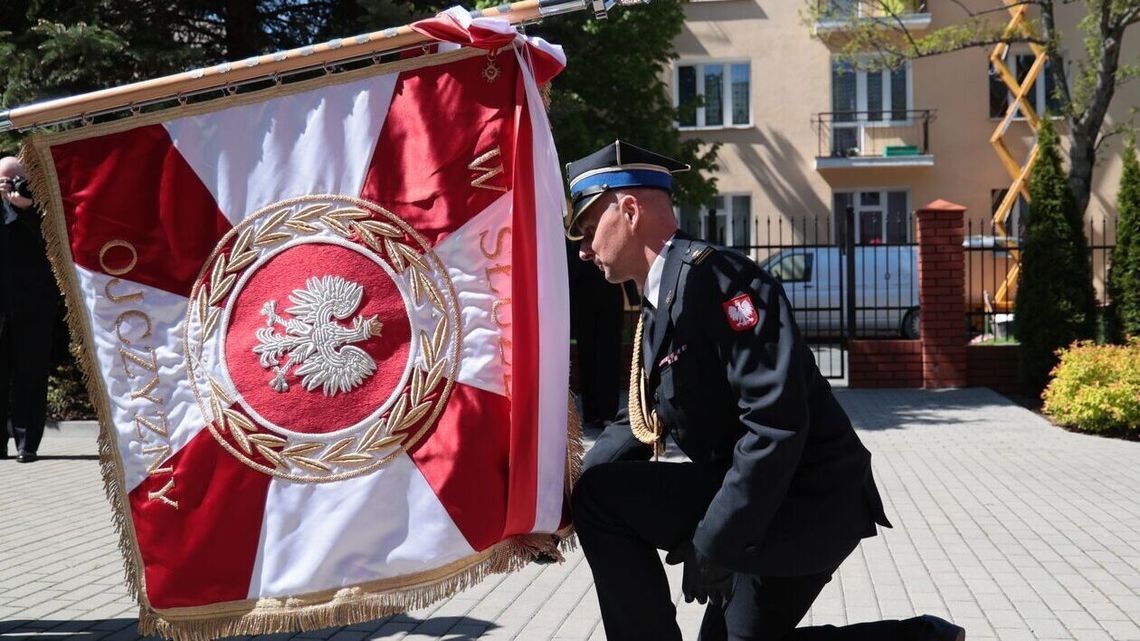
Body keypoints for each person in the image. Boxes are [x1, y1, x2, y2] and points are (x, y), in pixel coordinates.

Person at [565, 141, 965, 641]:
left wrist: (716, 539)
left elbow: (775, 424)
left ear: (628, 210)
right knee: (598, 496)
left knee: (602, 500)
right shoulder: (659, 304)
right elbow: (638, 422)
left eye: (586, 226)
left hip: (806, 499)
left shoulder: (722, 284)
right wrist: (561, 504)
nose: (581, 248)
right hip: (750, 493)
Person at [1, 155, 60, 463]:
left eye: (16, 179)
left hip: (33, 307)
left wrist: (25, 210)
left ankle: (27, 444)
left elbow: (56, 244)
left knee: (30, 376)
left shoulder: (40, 208)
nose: (11, 186)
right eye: (5, 180)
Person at [567, 237, 626, 432]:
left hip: (607, 297)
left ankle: (608, 412)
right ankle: (592, 413)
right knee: (588, 355)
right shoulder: (573, 234)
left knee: (608, 355)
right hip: (585, 298)